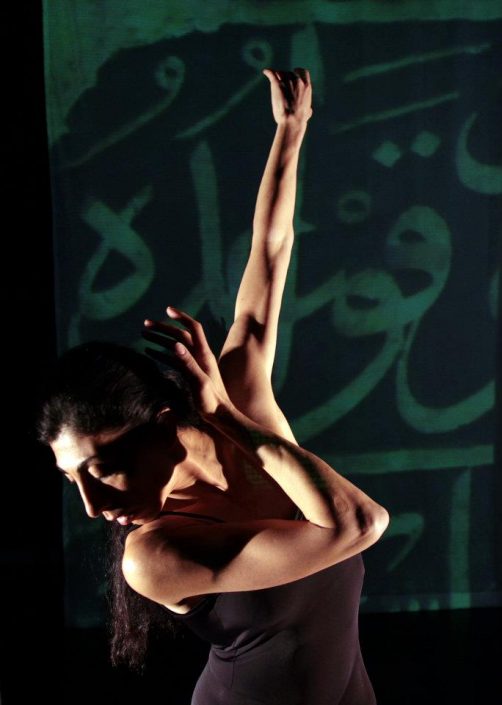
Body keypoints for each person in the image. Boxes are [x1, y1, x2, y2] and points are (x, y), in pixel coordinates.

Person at [39, 68, 389, 705]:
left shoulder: (239, 399)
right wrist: (227, 418)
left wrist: (290, 131)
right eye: (73, 480)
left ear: (163, 424)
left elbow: (270, 252)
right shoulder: (151, 556)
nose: (91, 506)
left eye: (103, 468)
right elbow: (357, 523)